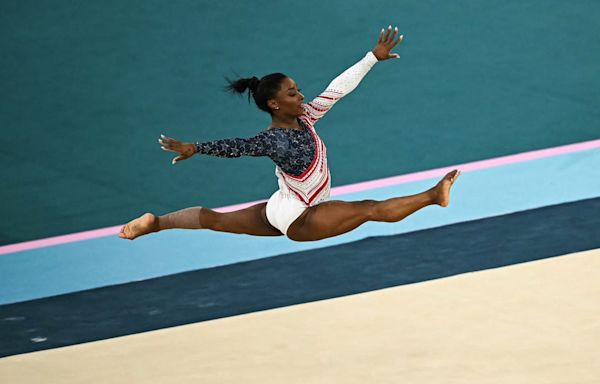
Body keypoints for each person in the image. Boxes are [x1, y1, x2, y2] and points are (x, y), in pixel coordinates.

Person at [119, 25, 460, 242]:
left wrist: (371, 58)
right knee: (369, 209)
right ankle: (433, 196)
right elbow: (240, 146)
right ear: (274, 104)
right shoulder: (276, 139)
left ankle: (156, 223)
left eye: (297, 89)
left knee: (214, 219)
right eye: (292, 93)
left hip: (280, 206)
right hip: (302, 216)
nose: (301, 96)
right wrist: (197, 147)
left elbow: (337, 89)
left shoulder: (306, 116)